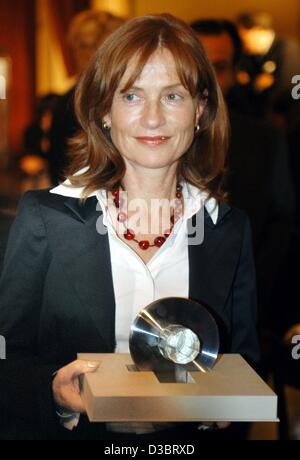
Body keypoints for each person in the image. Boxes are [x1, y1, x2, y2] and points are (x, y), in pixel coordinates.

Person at [0, 14, 260, 440]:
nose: (153, 119)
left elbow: (244, 362)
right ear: (104, 110)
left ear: (200, 110)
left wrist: (222, 411)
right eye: (132, 96)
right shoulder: (46, 219)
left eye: (173, 96)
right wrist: (54, 392)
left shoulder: (229, 229)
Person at [49, 10, 125, 185]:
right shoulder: (67, 104)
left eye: (97, 45)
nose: (91, 54)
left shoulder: (131, 97)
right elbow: (60, 169)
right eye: (85, 46)